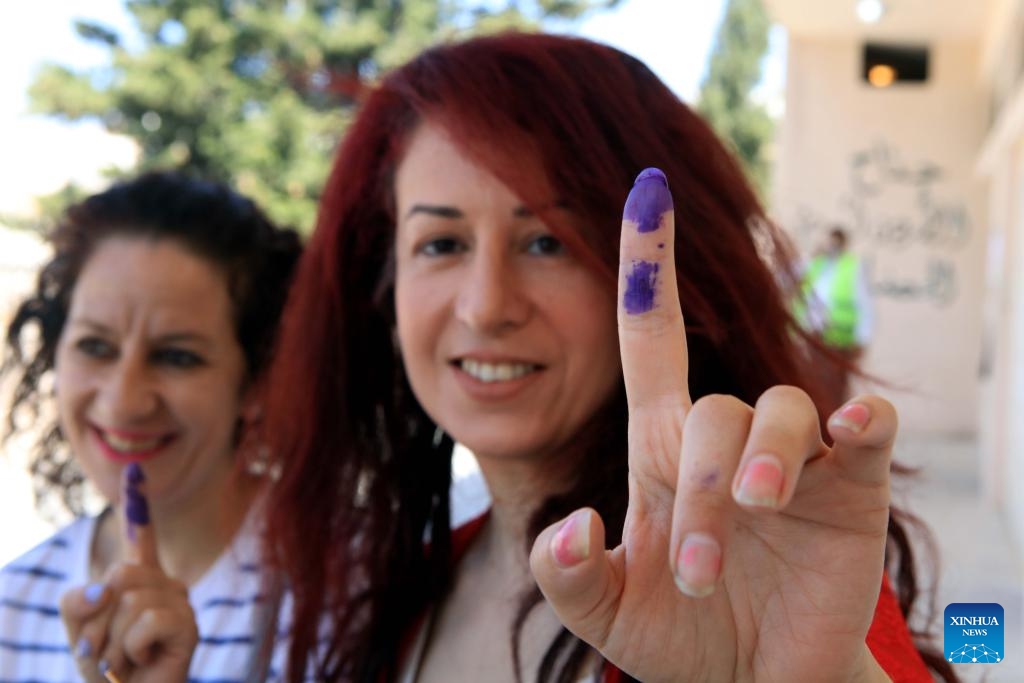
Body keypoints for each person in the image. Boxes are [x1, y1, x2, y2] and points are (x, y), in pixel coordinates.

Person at [248, 33, 953, 683]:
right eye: (441, 244)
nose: (486, 306)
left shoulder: (754, 574)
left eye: (548, 241)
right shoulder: (399, 589)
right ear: (384, 289)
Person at [0, 172, 302, 682]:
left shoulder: (344, 594)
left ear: (256, 383)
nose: (123, 402)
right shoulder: (13, 602)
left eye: (177, 357)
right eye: (95, 346)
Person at [799, 225, 874, 410]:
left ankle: (833, 431)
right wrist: (811, 256)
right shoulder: (816, 264)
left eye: (836, 242)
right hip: (816, 336)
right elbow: (788, 278)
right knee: (813, 386)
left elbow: (865, 304)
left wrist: (862, 338)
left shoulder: (852, 266)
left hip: (840, 338)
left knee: (836, 388)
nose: (832, 246)